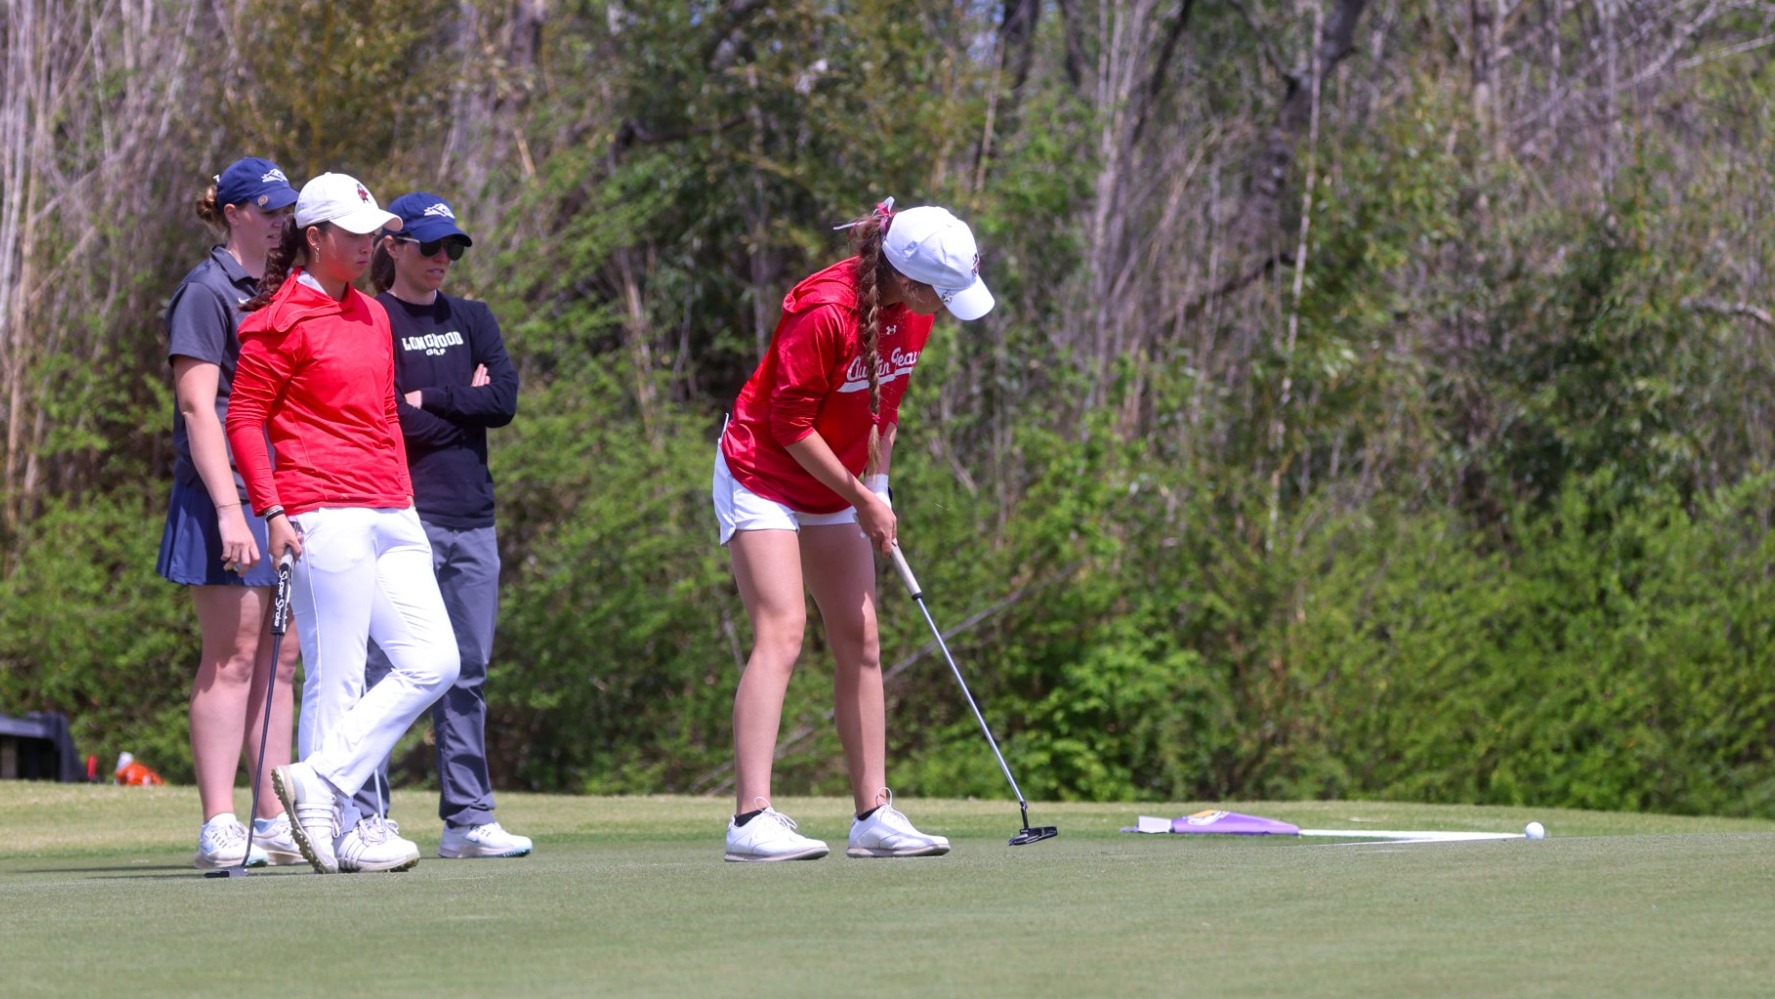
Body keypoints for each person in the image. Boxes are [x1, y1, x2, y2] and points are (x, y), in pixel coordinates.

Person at [714, 198, 994, 861]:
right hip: (762, 473)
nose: (946, 307)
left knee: (861, 637)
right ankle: (749, 819)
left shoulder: (914, 314)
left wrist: (880, 488)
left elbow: (883, 406)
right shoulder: (824, 311)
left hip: (838, 480)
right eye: (942, 293)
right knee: (783, 629)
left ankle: (873, 814)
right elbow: (787, 424)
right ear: (909, 279)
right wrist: (860, 497)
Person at [225, 172, 461, 874]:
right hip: (321, 510)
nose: (368, 245)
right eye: (353, 235)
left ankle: (321, 782)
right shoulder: (278, 319)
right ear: (315, 236)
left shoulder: (374, 315)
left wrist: (403, 496)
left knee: (434, 660)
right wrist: (270, 510)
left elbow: (385, 411)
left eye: (373, 235)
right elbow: (243, 419)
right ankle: (353, 826)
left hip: (391, 508)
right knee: (339, 677)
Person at [345, 191, 530, 859]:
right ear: (392, 247)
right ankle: (366, 816)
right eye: (430, 246)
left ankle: (468, 819)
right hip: (400, 517)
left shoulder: (473, 317)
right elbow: (385, 416)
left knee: (467, 671)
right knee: (386, 671)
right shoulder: (371, 318)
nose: (442, 258)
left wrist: (436, 398)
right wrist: (460, 408)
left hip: (472, 518)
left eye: (452, 247)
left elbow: (502, 400)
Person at [156, 157, 305, 870]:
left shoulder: (282, 286)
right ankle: (219, 822)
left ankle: (271, 818)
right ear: (234, 212)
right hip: (226, 496)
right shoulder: (205, 290)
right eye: (268, 210)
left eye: (286, 211)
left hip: (279, 491)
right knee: (234, 654)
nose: (281, 222)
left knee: (283, 657)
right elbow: (198, 409)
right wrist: (228, 512)